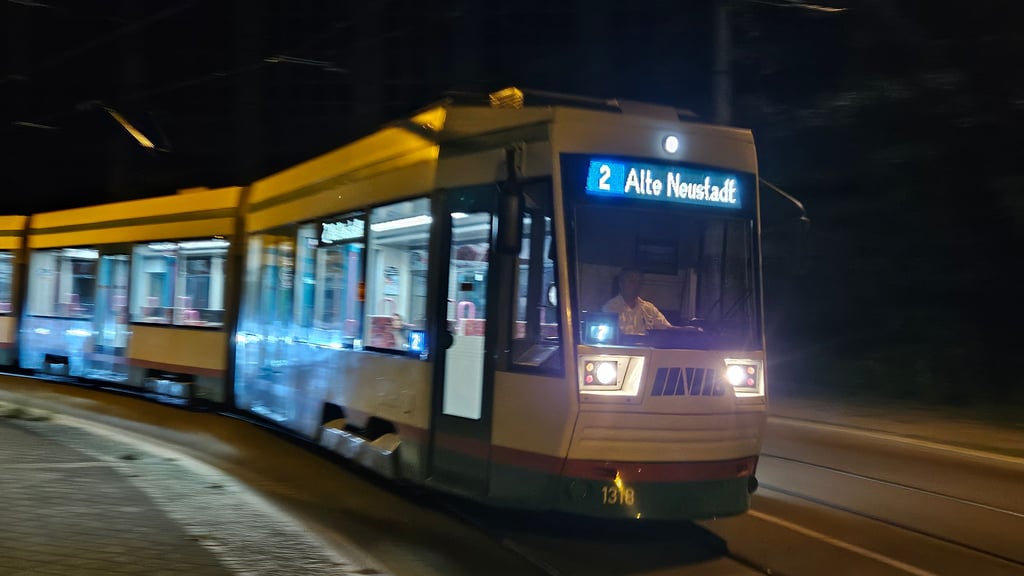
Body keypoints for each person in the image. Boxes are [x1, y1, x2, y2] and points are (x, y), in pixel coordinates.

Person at [602, 268, 672, 336]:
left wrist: (682, 330)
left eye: (640, 282)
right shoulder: (610, 308)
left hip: (646, 347)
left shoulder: (649, 308)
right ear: (621, 284)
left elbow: (667, 328)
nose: (636, 285)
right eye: (632, 281)